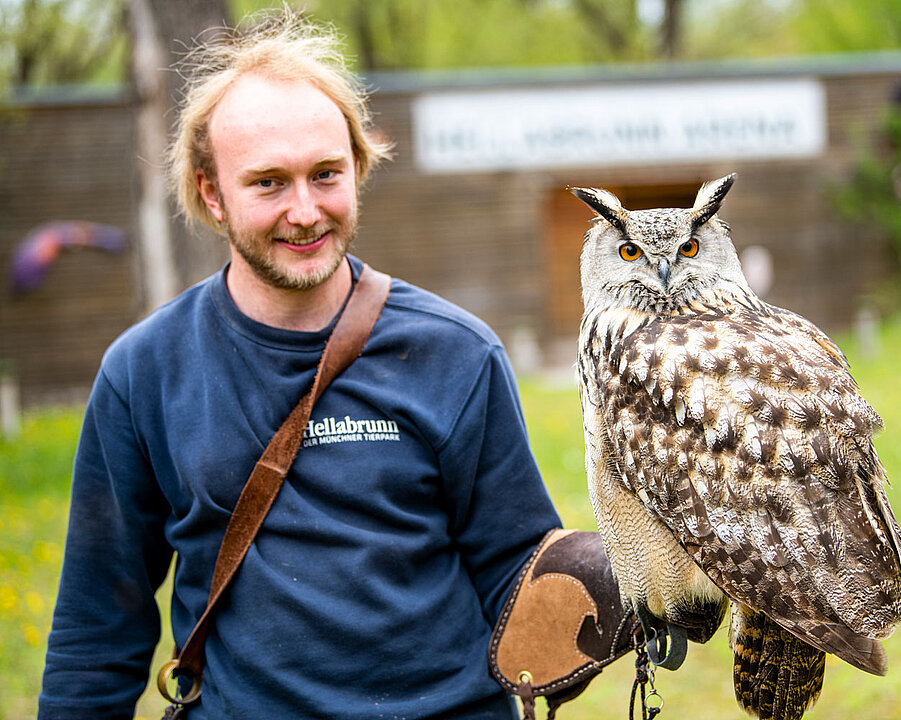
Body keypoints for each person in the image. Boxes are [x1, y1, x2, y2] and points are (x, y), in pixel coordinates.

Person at [38, 11, 561, 719]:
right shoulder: (144, 372)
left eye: (326, 175)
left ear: (358, 169)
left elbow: (518, 573)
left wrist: (635, 581)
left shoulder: (457, 354)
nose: (305, 210)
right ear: (212, 194)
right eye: (268, 183)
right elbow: (97, 628)